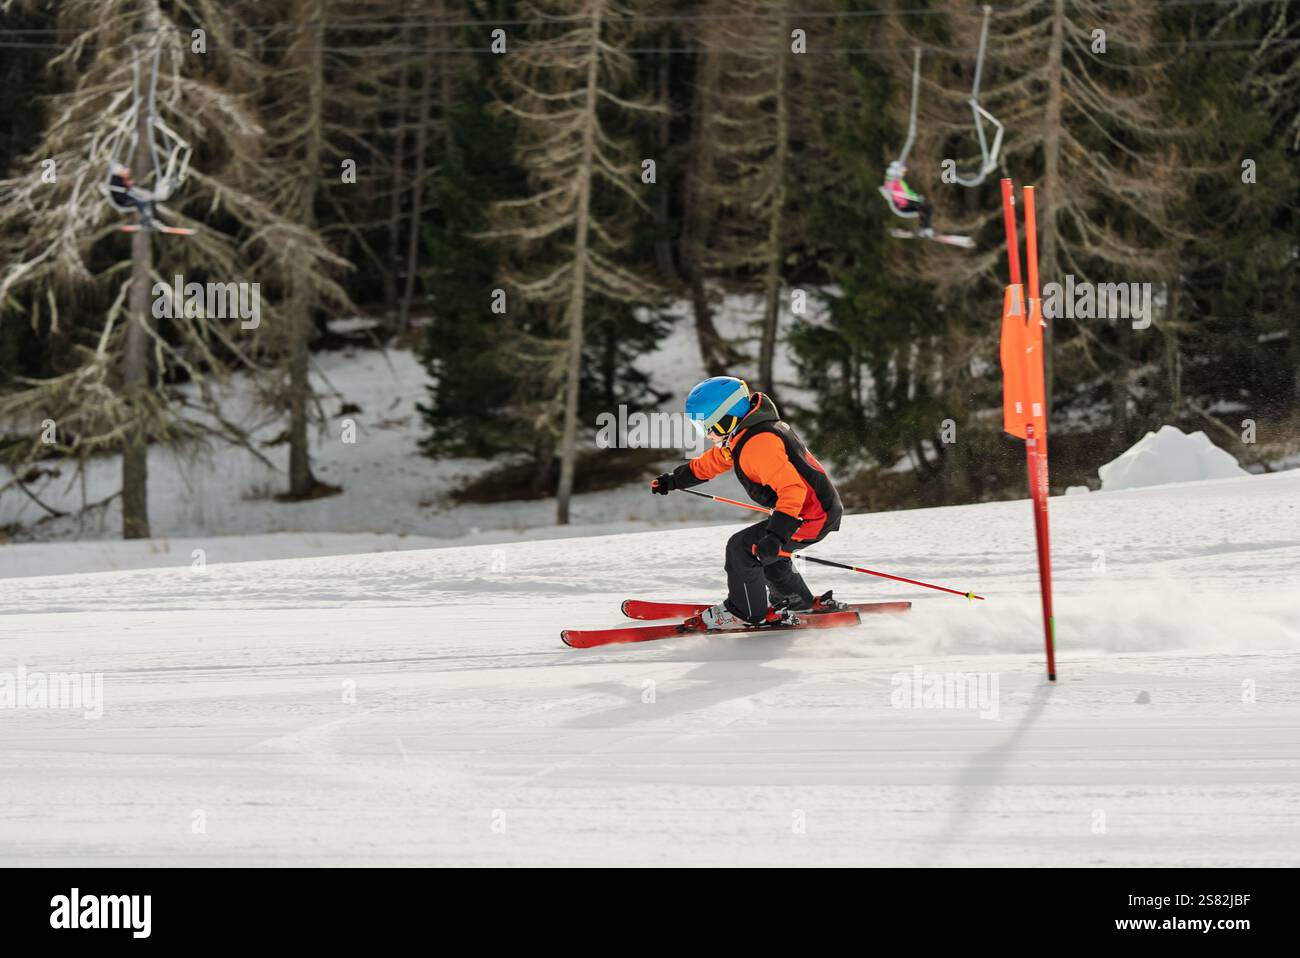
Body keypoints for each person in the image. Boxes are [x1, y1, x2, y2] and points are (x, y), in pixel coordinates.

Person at [650, 376, 848, 629]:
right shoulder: (748, 433)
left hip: (809, 515)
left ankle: (745, 611)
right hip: (811, 510)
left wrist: (776, 536)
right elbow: (713, 462)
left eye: (707, 425)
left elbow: (792, 489)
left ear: (727, 416)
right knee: (769, 555)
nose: (708, 434)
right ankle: (795, 600)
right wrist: (674, 480)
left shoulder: (758, 444)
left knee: (742, 549)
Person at [883, 160, 934, 236]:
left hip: (907, 202)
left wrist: (917, 196)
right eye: (903, 171)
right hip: (901, 205)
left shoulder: (901, 182)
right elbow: (888, 187)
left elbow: (908, 192)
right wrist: (892, 174)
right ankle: (924, 229)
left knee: (928, 207)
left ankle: (925, 229)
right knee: (924, 207)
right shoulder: (892, 181)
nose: (904, 173)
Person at [106, 163, 157, 230]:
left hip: (127, 197)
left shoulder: (120, 178)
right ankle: (146, 221)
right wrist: (127, 186)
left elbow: (125, 185)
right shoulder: (114, 179)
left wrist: (129, 184)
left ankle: (150, 219)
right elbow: (120, 188)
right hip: (123, 200)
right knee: (140, 201)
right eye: (121, 171)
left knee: (148, 200)